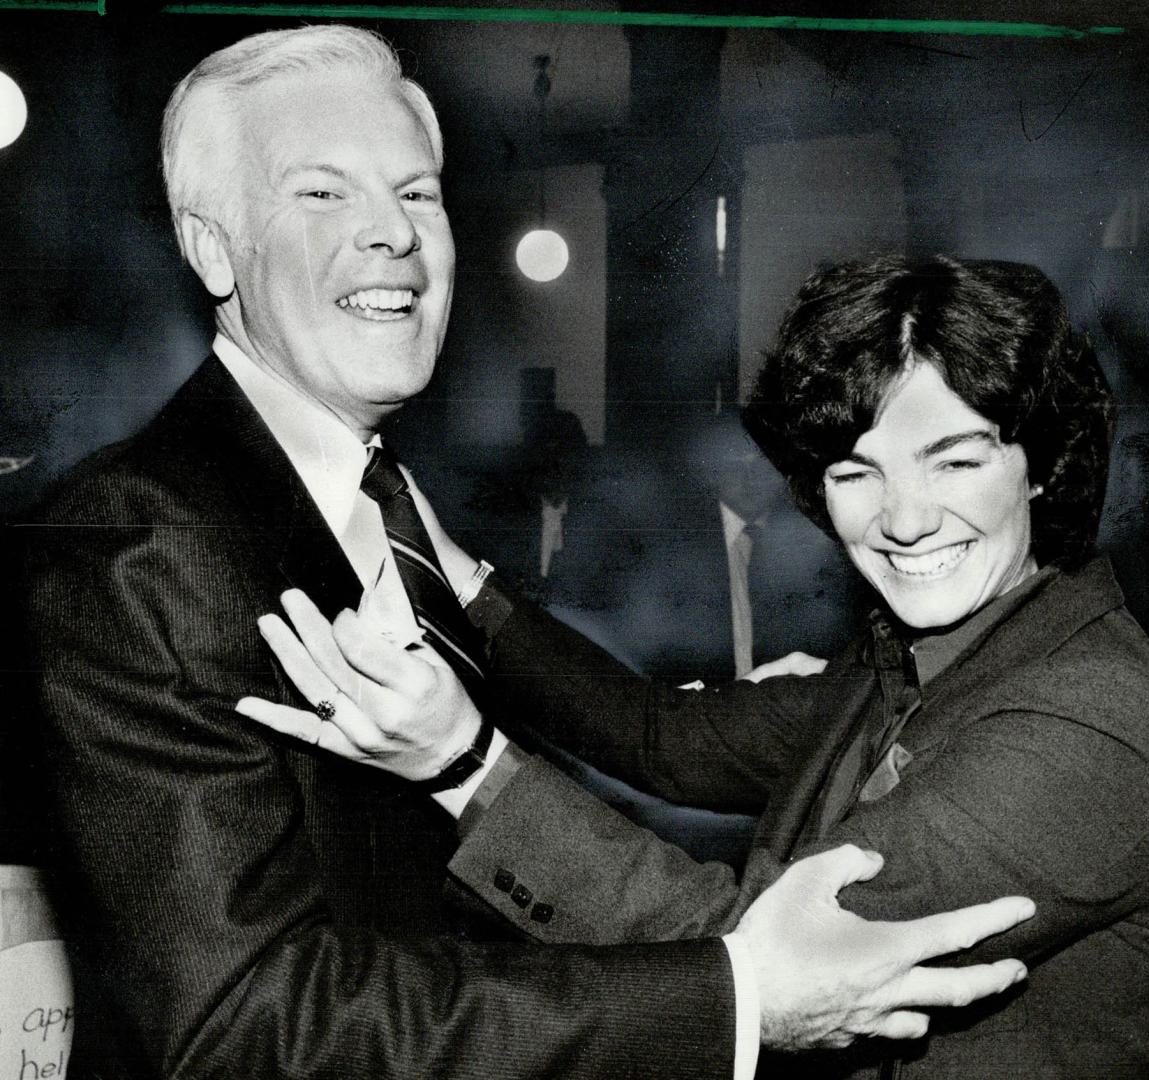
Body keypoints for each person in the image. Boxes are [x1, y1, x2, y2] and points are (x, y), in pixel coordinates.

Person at [15, 28, 1037, 1080]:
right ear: (212, 247)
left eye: (417, 195)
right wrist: (731, 995)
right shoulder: (138, 544)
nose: (392, 236)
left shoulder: (381, 501)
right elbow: (242, 1027)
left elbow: (623, 750)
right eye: (322, 195)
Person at [245, 255, 1149, 1077]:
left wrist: (462, 764)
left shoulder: (1088, 718)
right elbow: (662, 736)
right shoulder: (923, 657)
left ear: (1038, 465)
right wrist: (462, 579)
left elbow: (766, 956)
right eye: (857, 471)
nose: (902, 520)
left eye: (953, 461)